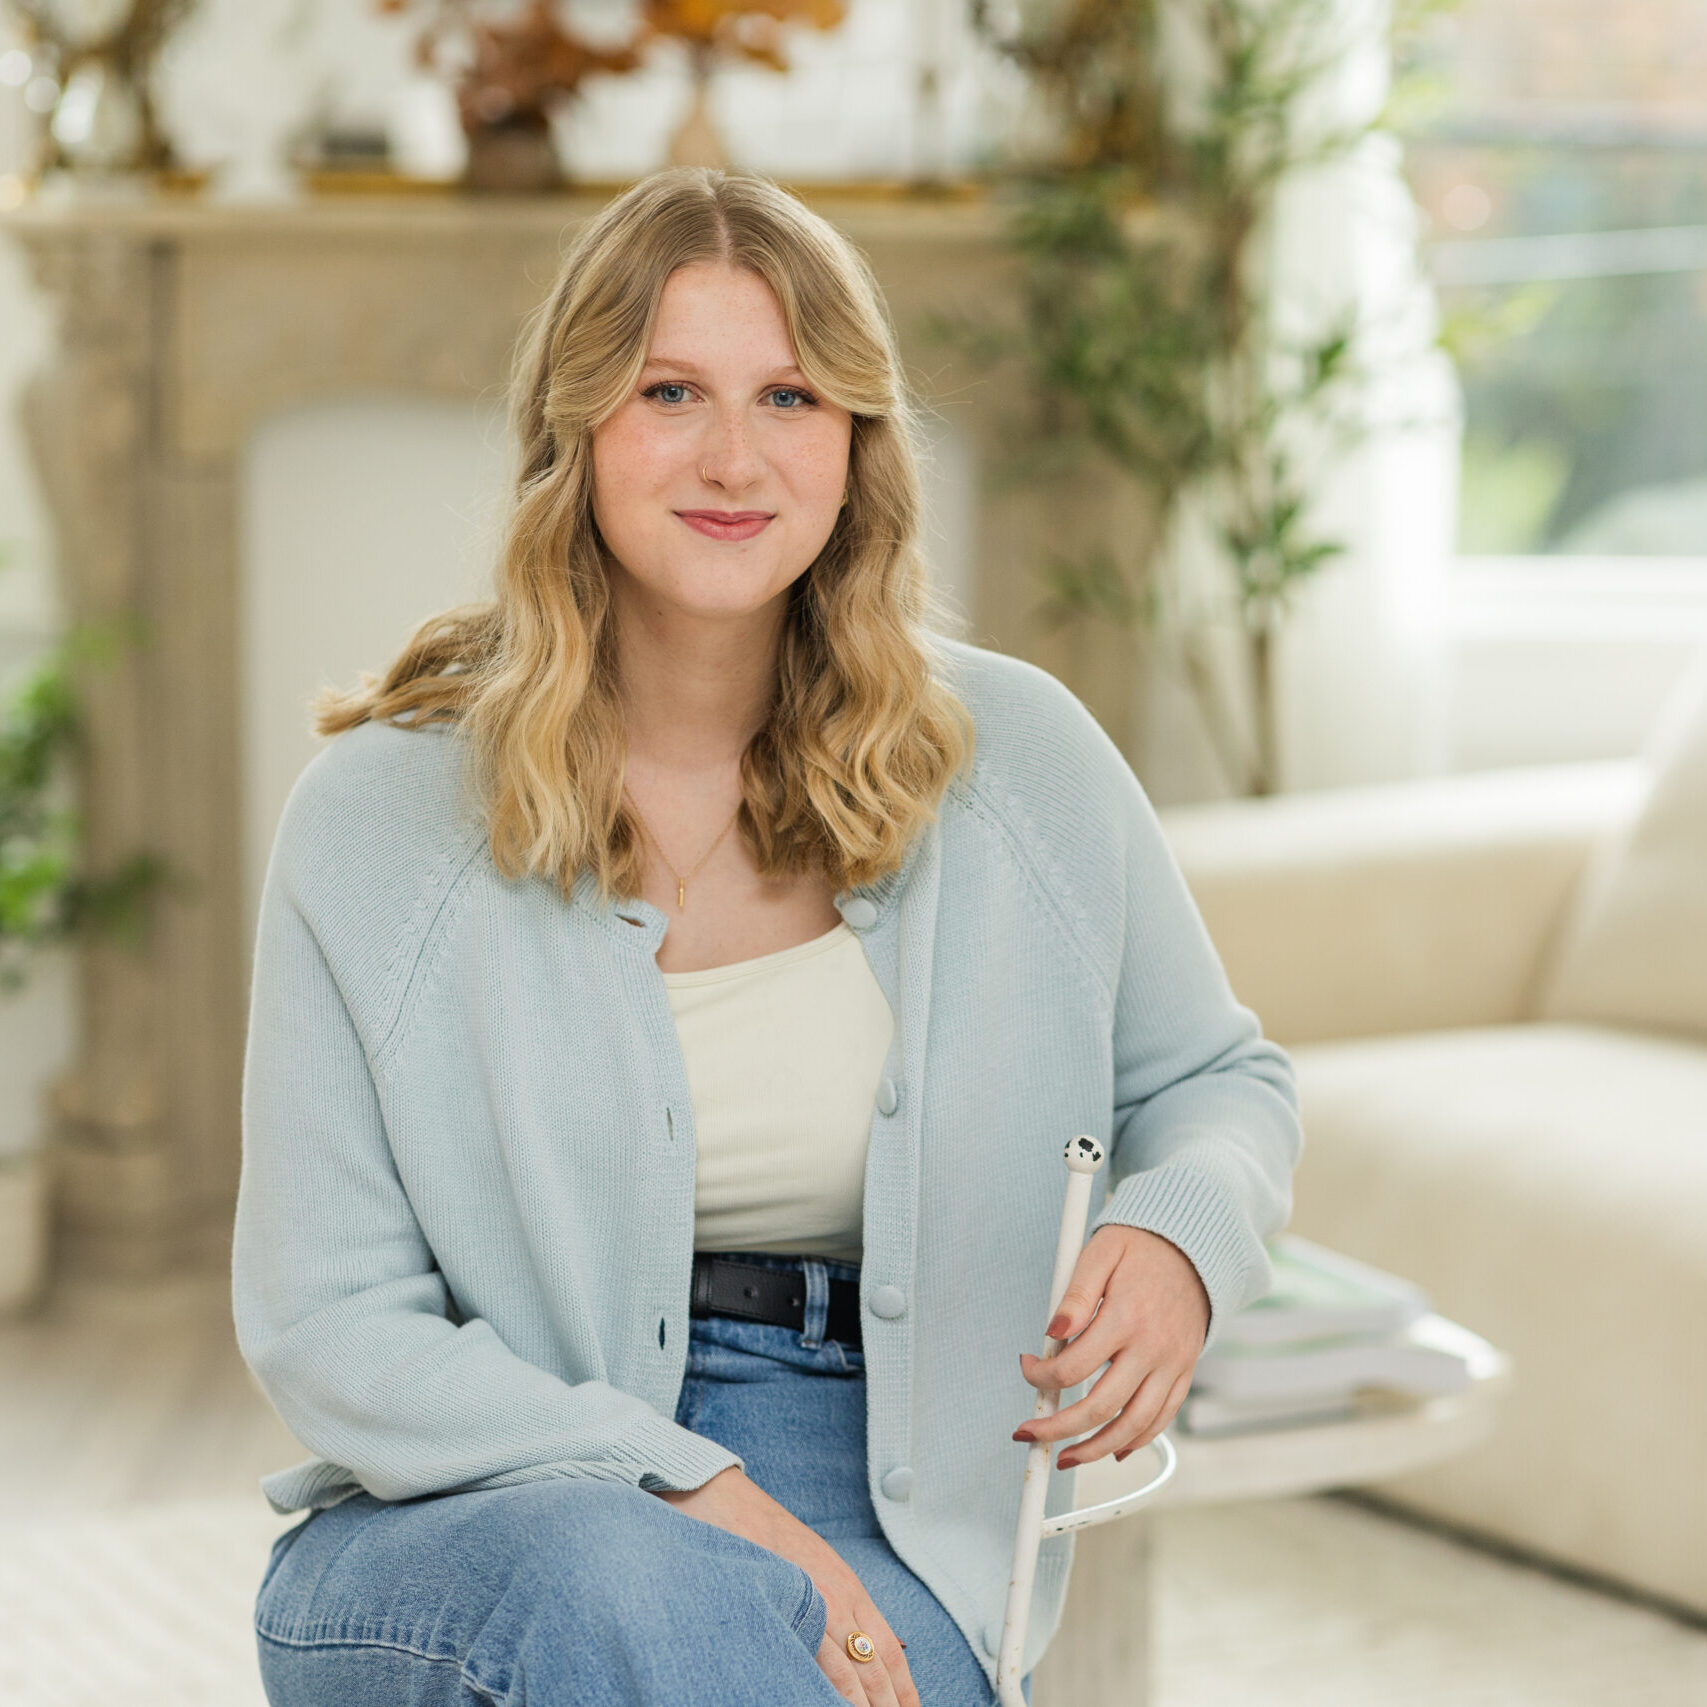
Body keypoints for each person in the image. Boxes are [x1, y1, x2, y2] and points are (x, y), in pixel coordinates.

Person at [234, 166, 1302, 1707]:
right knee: (622, 1592)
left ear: (857, 444)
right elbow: (330, 1324)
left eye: (791, 397)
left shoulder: (1020, 763)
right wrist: (682, 1486)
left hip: (887, 1497)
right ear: (576, 429)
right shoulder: (379, 817)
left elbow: (1216, 1082)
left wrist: (1182, 1234)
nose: (735, 456)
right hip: (477, 1503)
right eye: (670, 391)